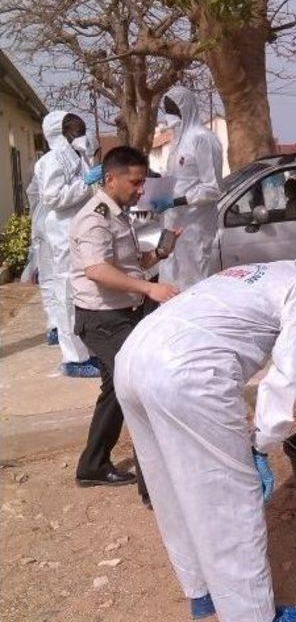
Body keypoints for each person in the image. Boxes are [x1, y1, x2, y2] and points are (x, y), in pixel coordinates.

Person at [114, 254, 296, 622]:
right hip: (185, 371)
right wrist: (261, 441)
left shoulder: (257, 274)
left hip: (132, 360)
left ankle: (202, 592)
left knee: (169, 484)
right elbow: (290, 373)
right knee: (227, 494)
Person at [70, 146, 180, 488]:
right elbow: (97, 270)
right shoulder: (94, 217)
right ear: (110, 178)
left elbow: (129, 265)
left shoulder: (118, 214)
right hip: (102, 319)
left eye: (143, 182)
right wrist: (149, 290)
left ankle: (92, 466)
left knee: (116, 390)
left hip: (122, 314)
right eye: (135, 182)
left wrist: (161, 252)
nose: (141, 189)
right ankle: (154, 485)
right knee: (135, 386)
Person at [38, 111, 101, 377]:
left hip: (79, 227)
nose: (80, 133)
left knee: (83, 289)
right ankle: (74, 358)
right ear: (59, 133)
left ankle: (86, 350)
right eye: (74, 129)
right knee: (66, 292)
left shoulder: (78, 157)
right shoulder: (52, 160)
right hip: (62, 230)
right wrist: (85, 184)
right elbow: (52, 198)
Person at [150, 87, 223, 288]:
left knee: (193, 283)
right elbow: (178, 180)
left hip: (195, 226)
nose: (169, 113)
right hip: (171, 223)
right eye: (166, 108)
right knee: (169, 279)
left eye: (173, 107)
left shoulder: (202, 139)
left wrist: (177, 201)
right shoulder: (176, 142)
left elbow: (212, 187)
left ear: (185, 107)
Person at [23, 168, 58, 344]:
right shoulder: (46, 166)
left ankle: (60, 326)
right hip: (46, 234)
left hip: (58, 233)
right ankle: (54, 326)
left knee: (58, 282)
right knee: (49, 281)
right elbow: (33, 192)